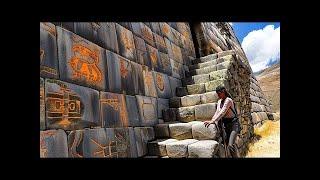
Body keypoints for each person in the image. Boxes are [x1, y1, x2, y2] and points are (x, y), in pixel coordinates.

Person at [204, 85, 240, 157]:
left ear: (223, 92)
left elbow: (222, 112)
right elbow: (217, 112)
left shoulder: (228, 100)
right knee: (227, 144)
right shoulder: (219, 101)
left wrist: (213, 120)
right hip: (226, 125)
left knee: (230, 145)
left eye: (219, 93)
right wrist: (212, 120)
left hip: (234, 124)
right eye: (217, 94)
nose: (218, 95)